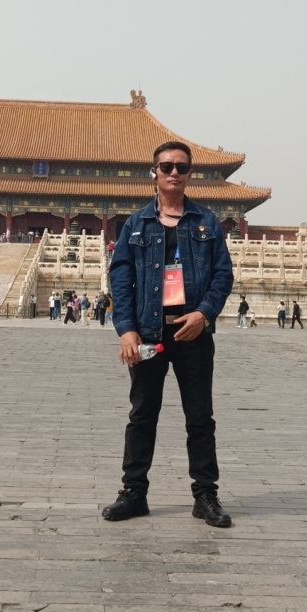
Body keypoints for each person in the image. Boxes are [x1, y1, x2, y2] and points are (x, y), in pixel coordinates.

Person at [104, 140, 234, 528]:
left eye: (181, 167)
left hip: (193, 333)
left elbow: (223, 275)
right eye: (166, 166)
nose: (174, 172)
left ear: (190, 173)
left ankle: (205, 495)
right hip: (148, 334)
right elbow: (120, 278)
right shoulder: (137, 224)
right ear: (155, 172)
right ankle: (134, 493)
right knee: (142, 415)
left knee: (200, 417)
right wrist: (126, 330)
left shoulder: (206, 222)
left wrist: (204, 314)